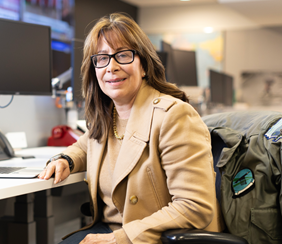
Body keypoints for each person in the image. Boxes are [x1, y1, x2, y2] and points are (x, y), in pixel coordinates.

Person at [39, 13, 222, 243]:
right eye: (102, 58)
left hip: (151, 237)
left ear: (143, 65)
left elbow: (194, 207)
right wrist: (66, 159)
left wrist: (118, 239)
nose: (111, 67)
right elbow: (86, 145)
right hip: (110, 229)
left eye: (123, 55)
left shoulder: (174, 116)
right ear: (94, 70)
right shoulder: (108, 116)